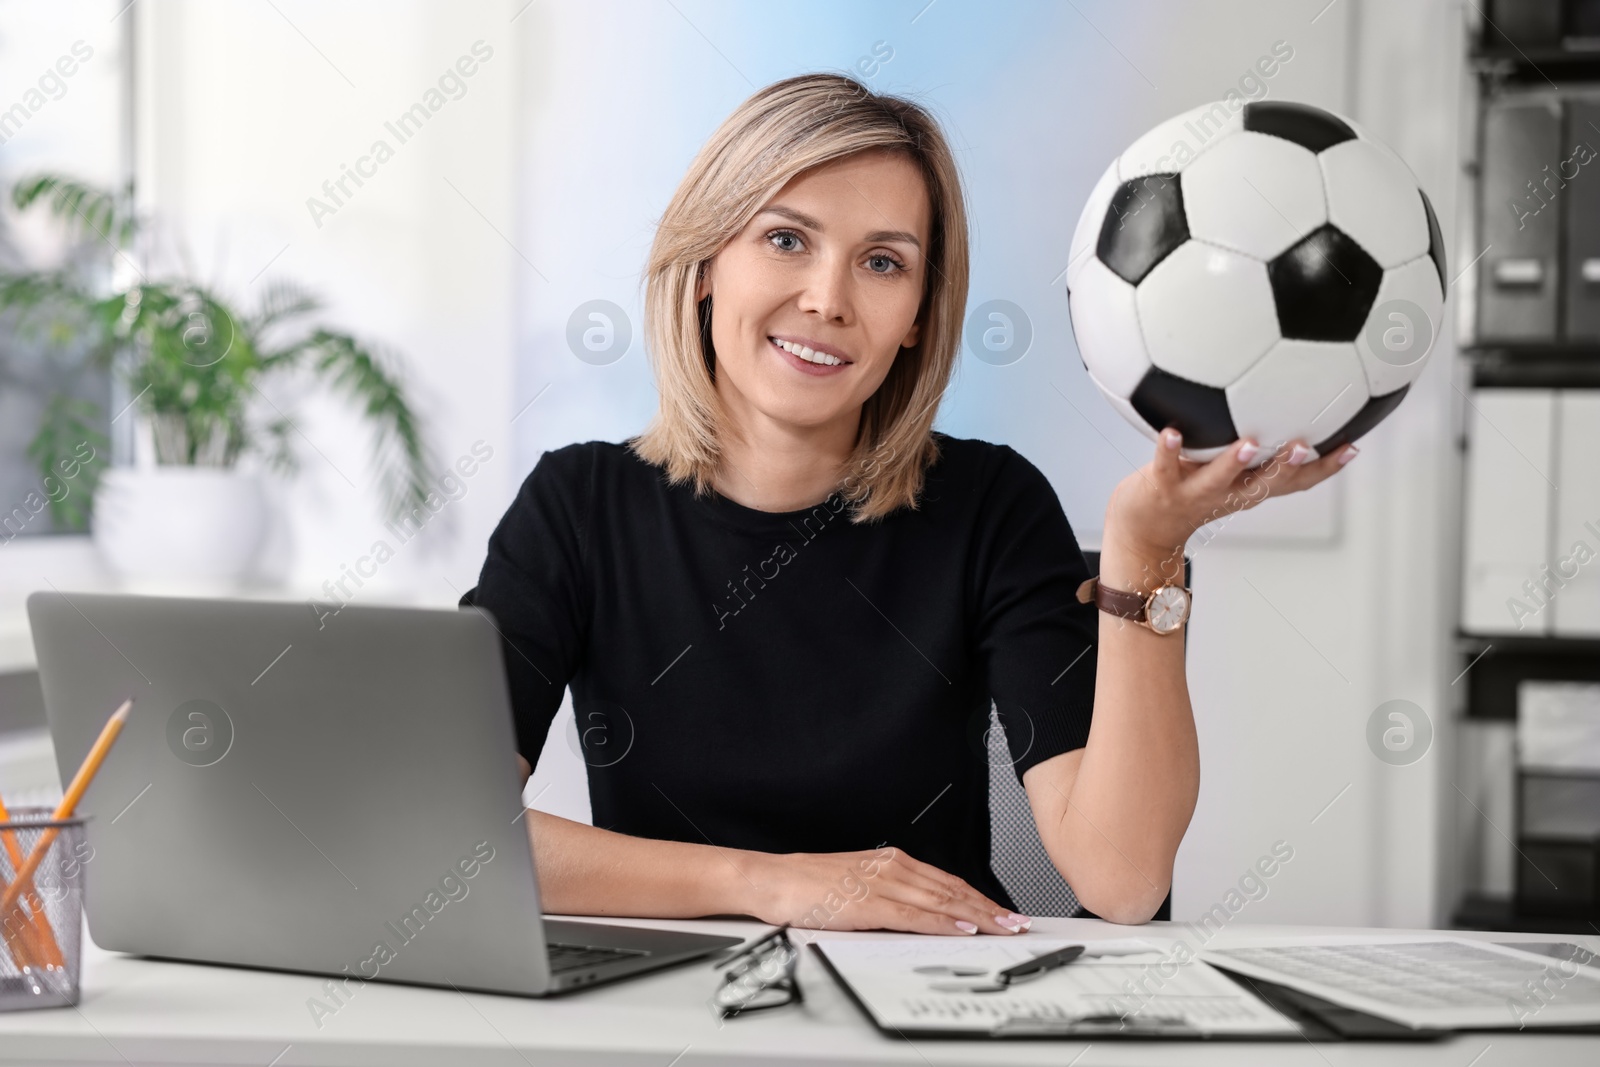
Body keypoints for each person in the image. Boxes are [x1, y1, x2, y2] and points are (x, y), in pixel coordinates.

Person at [463, 73, 1353, 935]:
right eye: (785, 240)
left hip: (935, 1001)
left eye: (882, 262)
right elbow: (449, 839)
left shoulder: (991, 506)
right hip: (672, 1006)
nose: (826, 299)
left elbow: (1122, 882)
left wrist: (1145, 547)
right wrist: (766, 882)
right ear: (704, 267)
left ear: (920, 315)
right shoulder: (576, 505)